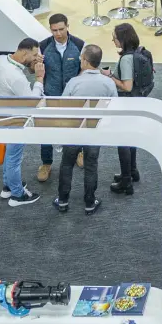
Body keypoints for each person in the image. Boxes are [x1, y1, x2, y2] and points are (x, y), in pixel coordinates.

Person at [53, 43, 117, 215]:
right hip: (95, 131)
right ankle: (90, 202)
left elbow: (62, 105)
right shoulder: (108, 83)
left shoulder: (74, 82)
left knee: (67, 164)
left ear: (86, 61)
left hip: (73, 130)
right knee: (91, 165)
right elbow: (115, 106)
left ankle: (63, 201)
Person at [0, 37, 44, 207]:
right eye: (34, 55)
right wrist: (39, 78)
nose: (37, 58)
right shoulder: (17, 79)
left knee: (8, 154)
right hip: (16, 120)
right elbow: (32, 102)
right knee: (14, 158)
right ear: (24, 52)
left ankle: (8, 186)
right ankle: (17, 195)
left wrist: (32, 65)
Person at [37, 13, 84, 182]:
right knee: (47, 129)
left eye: (61, 29)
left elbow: (83, 69)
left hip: (73, 97)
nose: (58, 33)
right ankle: (46, 163)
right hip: (51, 95)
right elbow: (34, 71)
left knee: (76, 125)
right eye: (54, 30)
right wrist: (35, 65)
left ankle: (79, 151)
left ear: (67, 26)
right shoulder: (43, 46)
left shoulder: (79, 44)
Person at [104, 23, 145, 194]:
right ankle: (132, 171)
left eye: (115, 37)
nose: (113, 40)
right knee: (130, 139)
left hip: (126, 102)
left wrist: (110, 76)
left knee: (123, 142)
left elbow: (127, 86)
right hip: (135, 103)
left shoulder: (127, 59)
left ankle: (126, 180)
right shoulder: (137, 52)